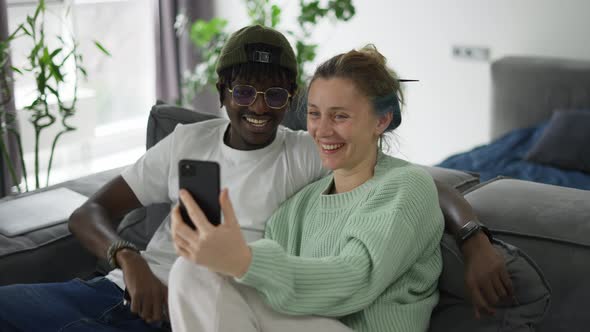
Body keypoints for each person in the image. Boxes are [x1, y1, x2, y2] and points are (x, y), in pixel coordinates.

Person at [0, 25, 509, 331]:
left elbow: (419, 189)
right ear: (222, 93)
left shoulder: (319, 158)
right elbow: (90, 211)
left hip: (201, 308)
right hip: (130, 290)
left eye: (275, 96)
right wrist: (127, 258)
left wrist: (474, 237)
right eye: (244, 93)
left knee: (194, 273)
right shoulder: (198, 147)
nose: (259, 109)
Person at [167, 44, 444, 332]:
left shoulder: (406, 186)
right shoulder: (295, 209)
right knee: (192, 271)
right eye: (314, 114)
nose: (322, 130)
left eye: (339, 116)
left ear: (381, 120)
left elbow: (355, 277)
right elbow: (266, 301)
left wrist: (246, 261)